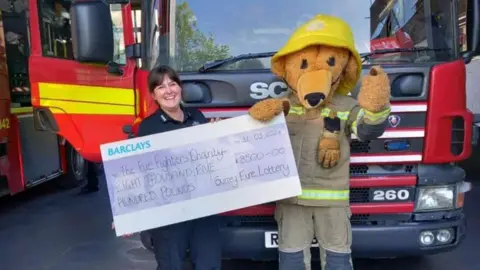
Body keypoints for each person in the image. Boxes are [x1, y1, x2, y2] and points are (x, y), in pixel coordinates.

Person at [124, 65, 222, 270]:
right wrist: (127, 212)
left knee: (209, 264)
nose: (168, 90)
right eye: (160, 87)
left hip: (203, 207)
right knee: (171, 265)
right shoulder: (148, 127)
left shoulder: (197, 117)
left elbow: (211, 159)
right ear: (153, 95)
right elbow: (138, 172)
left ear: (180, 88)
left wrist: (218, 135)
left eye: (172, 84)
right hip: (169, 212)